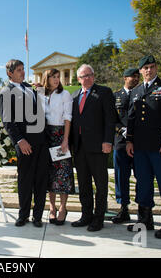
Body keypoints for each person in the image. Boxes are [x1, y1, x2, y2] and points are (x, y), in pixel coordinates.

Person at [126, 55, 161, 239]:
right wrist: (129, 141)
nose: (149, 70)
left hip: (160, 146)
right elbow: (131, 119)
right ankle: (145, 219)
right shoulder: (136, 91)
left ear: (156, 68)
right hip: (140, 147)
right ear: (140, 71)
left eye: (152, 67)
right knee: (143, 184)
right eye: (145, 68)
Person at [0, 59, 48, 228]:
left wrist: (40, 90)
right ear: (10, 73)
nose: (22, 72)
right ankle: (23, 215)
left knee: (41, 181)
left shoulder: (31, 88)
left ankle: (38, 216)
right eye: (19, 70)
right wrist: (20, 141)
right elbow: (7, 121)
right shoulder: (6, 92)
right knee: (25, 181)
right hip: (25, 144)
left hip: (41, 142)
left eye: (22, 69)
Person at [70, 64, 116, 232]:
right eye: (83, 76)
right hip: (80, 147)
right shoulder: (74, 96)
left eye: (89, 75)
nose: (86, 78)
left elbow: (110, 119)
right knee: (83, 184)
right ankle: (86, 215)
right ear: (78, 79)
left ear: (94, 76)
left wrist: (108, 141)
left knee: (101, 184)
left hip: (98, 146)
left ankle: (98, 218)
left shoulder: (104, 92)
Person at [39, 69, 74, 225]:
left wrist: (65, 140)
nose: (56, 79)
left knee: (62, 173)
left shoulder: (64, 94)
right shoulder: (42, 94)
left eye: (58, 77)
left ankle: (62, 208)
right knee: (49, 174)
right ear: (46, 78)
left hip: (60, 135)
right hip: (45, 136)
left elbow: (68, 117)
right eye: (53, 77)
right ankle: (51, 208)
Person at [111, 68, 140, 224]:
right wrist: (121, 130)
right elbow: (111, 118)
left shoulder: (142, 94)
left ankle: (143, 209)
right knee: (121, 177)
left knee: (141, 177)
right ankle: (124, 208)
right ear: (124, 78)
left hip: (139, 143)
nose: (135, 79)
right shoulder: (115, 96)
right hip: (121, 143)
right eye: (132, 76)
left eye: (137, 76)